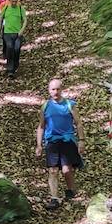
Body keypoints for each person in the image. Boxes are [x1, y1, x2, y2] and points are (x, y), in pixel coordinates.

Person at [36, 78, 84, 210]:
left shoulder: (69, 105)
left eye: (58, 89)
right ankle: (54, 198)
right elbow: (41, 126)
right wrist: (39, 145)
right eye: (53, 89)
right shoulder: (45, 106)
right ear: (49, 90)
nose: (55, 92)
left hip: (67, 140)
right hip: (51, 141)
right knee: (52, 170)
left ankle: (70, 190)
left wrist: (81, 140)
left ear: (61, 90)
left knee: (67, 169)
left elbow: (78, 123)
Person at [0, 0, 27, 78]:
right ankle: (10, 70)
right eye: (12, 1)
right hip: (7, 33)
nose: (14, 3)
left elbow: (25, 20)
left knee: (16, 49)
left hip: (17, 33)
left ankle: (15, 64)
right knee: (9, 48)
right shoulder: (6, 7)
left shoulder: (20, 8)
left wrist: (22, 30)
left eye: (15, 1)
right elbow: (1, 19)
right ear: (9, 0)